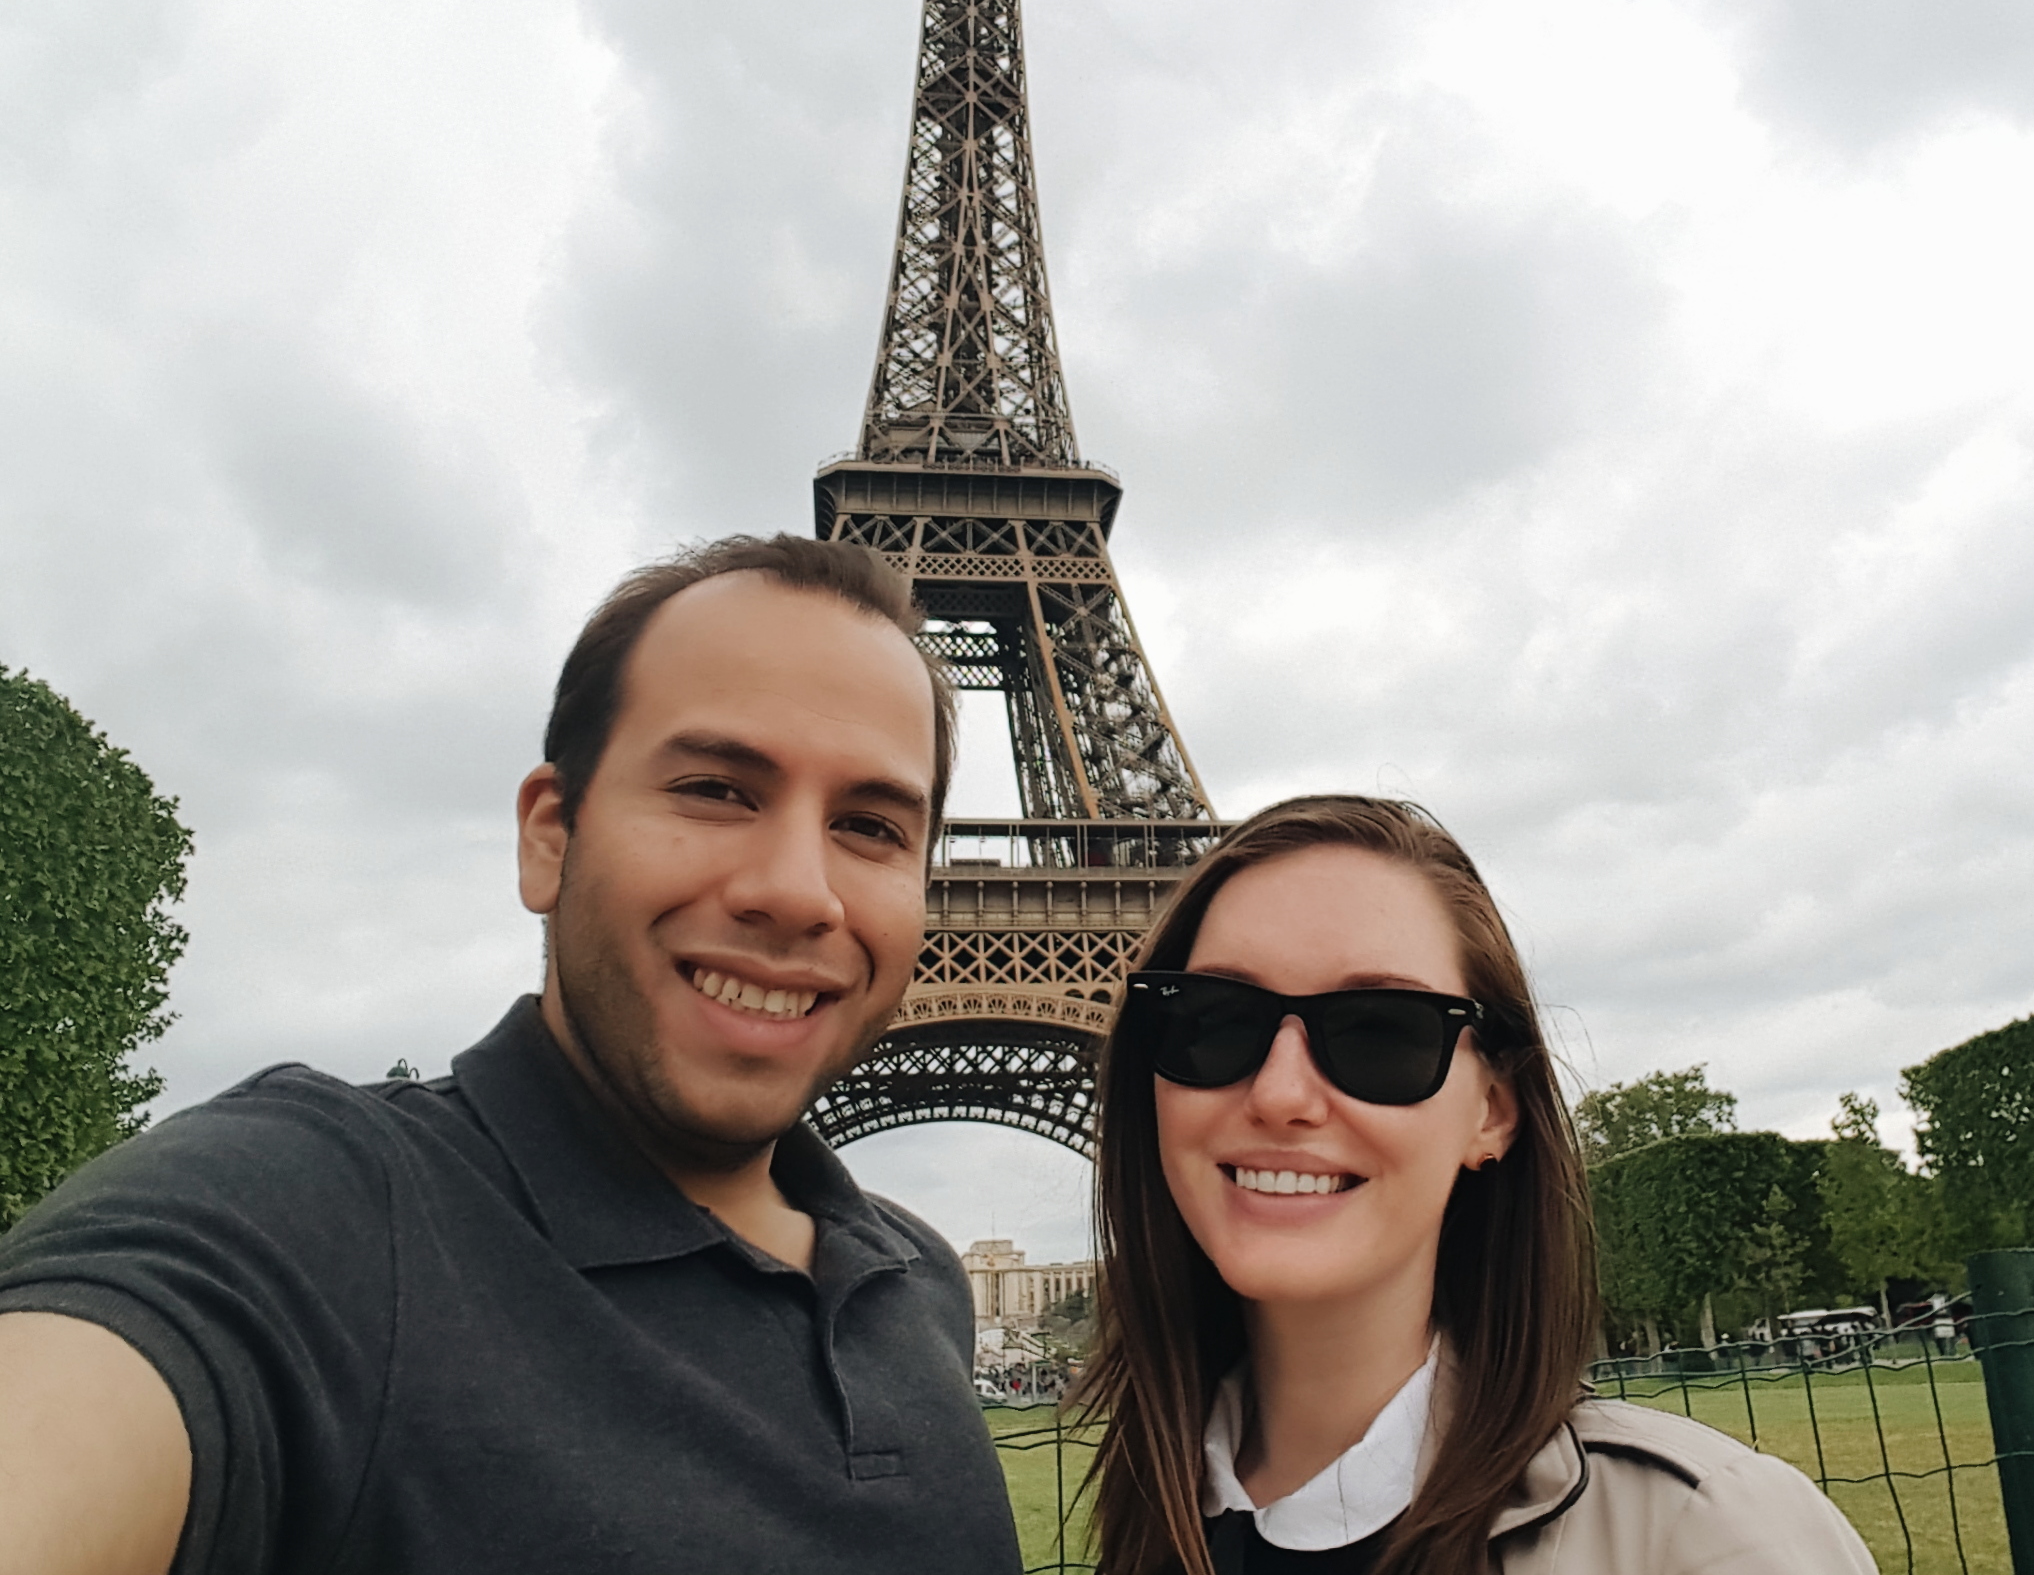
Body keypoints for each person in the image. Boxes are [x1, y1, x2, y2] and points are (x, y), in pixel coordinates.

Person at [0, 535, 1023, 1575]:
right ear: (550, 833)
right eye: (717, 789)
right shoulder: (317, 1213)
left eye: (869, 824)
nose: (799, 890)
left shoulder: (919, 1279)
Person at [1077, 795, 1880, 1575]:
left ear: (1493, 1111)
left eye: (1383, 1033)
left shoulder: (1703, 1539)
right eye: (1214, 1022)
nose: (1282, 1094)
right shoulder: (1159, 1526)